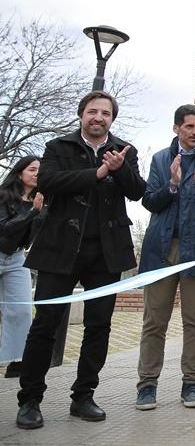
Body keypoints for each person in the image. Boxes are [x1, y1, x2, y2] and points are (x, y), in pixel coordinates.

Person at [16, 91, 146, 430]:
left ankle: (83, 395)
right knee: (45, 323)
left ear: (112, 119)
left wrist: (118, 170)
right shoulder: (59, 147)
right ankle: (30, 399)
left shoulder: (123, 149)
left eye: (105, 113)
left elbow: (137, 191)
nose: (98, 117)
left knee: (99, 325)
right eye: (92, 112)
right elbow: (49, 182)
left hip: (106, 251)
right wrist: (99, 173)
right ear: (81, 115)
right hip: (59, 247)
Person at [135, 104, 195, 410]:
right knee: (154, 321)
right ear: (176, 128)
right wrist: (172, 184)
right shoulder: (161, 159)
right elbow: (150, 202)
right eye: (189, 127)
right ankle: (147, 385)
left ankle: (191, 384)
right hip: (162, 250)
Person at [0, 156, 43, 380]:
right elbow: (6, 229)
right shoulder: (4, 196)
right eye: (32, 169)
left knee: (21, 310)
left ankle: (17, 361)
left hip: (17, 258)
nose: (37, 173)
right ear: (19, 173)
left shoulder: (41, 200)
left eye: (40, 171)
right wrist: (33, 213)